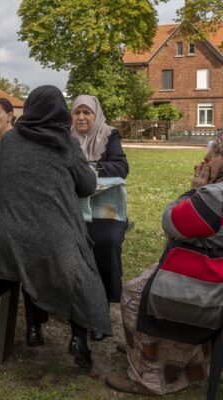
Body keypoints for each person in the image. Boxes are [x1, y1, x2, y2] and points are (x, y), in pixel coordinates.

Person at [0, 85, 112, 369]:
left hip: (5, 238)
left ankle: (34, 329)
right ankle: (79, 338)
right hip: (53, 236)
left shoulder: (9, 140)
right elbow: (87, 186)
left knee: (30, 257)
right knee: (81, 269)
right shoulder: (65, 142)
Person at [105, 136, 223, 395]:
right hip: (215, 270)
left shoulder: (217, 195)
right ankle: (145, 345)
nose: (205, 160)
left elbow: (172, 222)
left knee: (134, 294)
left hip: (211, 286)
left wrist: (193, 190)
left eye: (212, 154)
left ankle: (148, 376)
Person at [71, 95, 129, 339]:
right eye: (77, 113)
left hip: (105, 209)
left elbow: (121, 167)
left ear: (96, 115)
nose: (81, 117)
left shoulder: (109, 135)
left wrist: (87, 166)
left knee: (105, 242)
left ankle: (101, 312)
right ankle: (77, 308)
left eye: (87, 112)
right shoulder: (66, 136)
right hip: (73, 208)